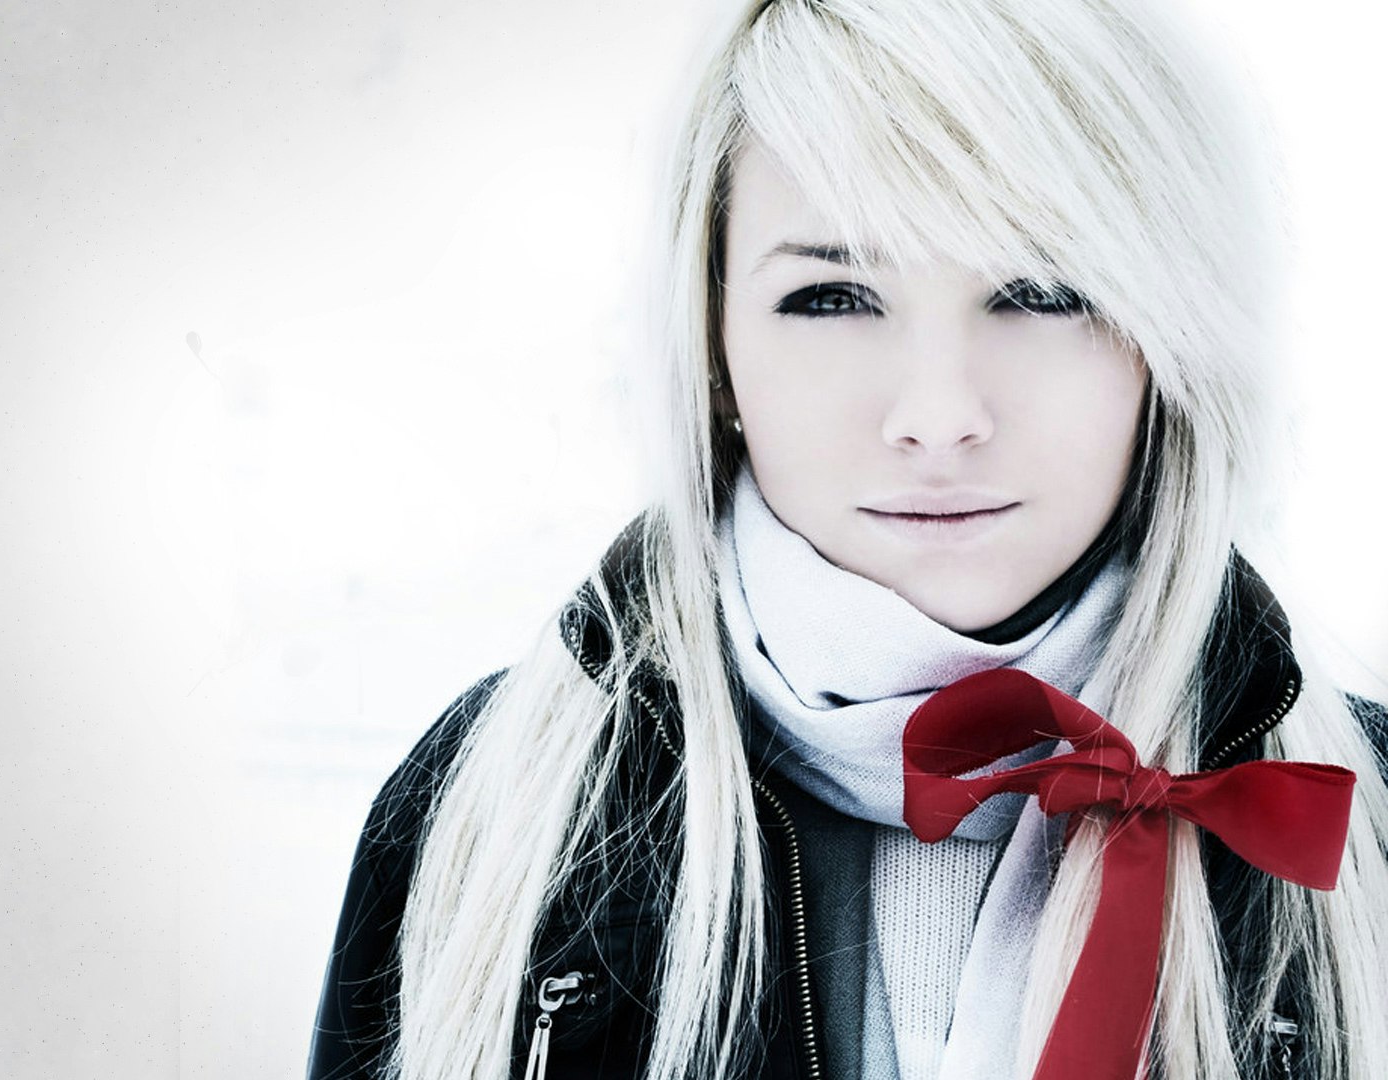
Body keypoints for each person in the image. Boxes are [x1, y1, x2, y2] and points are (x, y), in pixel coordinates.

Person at [307, 0, 1388, 1077]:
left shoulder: (1369, 824)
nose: (939, 414)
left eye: (1042, 291)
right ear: (712, 342)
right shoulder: (490, 809)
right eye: (831, 297)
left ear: (1174, 336)